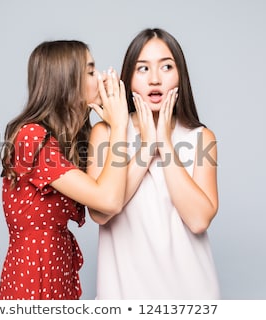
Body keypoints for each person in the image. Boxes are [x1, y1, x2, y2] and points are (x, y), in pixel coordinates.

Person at [87, 28, 220, 299]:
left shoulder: (201, 138)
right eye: (143, 69)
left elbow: (198, 220)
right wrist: (147, 147)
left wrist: (164, 143)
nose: (155, 80)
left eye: (167, 67)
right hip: (123, 296)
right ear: (129, 78)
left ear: (180, 75)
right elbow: (101, 213)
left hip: (191, 296)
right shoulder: (106, 134)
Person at [0, 40, 128, 300]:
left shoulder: (63, 140)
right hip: (34, 275)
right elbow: (109, 200)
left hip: (56, 268)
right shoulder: (31, 137)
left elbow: (102, 202)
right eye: (91, 72)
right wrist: (120, 125)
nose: (101, 77)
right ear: (66, 81)